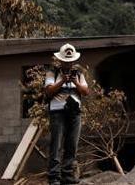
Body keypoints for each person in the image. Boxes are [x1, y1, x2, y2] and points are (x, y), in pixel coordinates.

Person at [43, 43, 89, 185]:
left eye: (70, 61)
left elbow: (86, 92)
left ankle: (68, 176)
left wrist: (75, 82)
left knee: (71, 144)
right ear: (60, 60)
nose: (68, 64)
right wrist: (62, 80)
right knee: (56, 145)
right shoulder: (53, 72)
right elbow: (48, 91)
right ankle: (54, 177)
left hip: (75, 112)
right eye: (65, 61)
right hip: (57, 112)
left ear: (73, 61)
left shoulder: (79, 74)